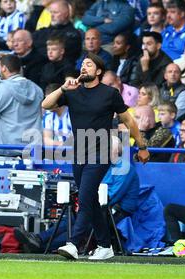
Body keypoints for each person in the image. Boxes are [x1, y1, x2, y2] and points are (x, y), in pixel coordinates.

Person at [41, 52, 150, 260]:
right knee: (89, 199)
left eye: (89, 65)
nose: (84, 68)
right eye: (82, 64)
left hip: (101, 152)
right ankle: (105, 245)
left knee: (84, 197)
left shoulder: (109, 93)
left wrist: (142, 146)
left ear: (98, 71)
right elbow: (45, 105)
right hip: (79, 153)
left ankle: (74, 243)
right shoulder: (72, 91)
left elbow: (130, 121)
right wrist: (63, 88)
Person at [13, 136, 140, 253]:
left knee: (83, 220)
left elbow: (111, 196)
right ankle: (39, 240)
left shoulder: (124, 167)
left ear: (115, 151)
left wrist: (88, 202)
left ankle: (40, 244)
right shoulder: (104, 166)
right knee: (72, 217)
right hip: (101, 204)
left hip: (118, 210)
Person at [0, 54, 44, 155]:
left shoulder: (3, 88)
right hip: (32, 150)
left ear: (4, 68)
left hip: (6, 150)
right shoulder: (37, 89)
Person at [32, 0, 83, 65]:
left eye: (55, 12)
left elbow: (60, 53)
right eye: (51, 12)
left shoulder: (73, 34)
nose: (52, 16)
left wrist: (38, 49)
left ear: (66, 14)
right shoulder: (43, 31)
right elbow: (30, 40)